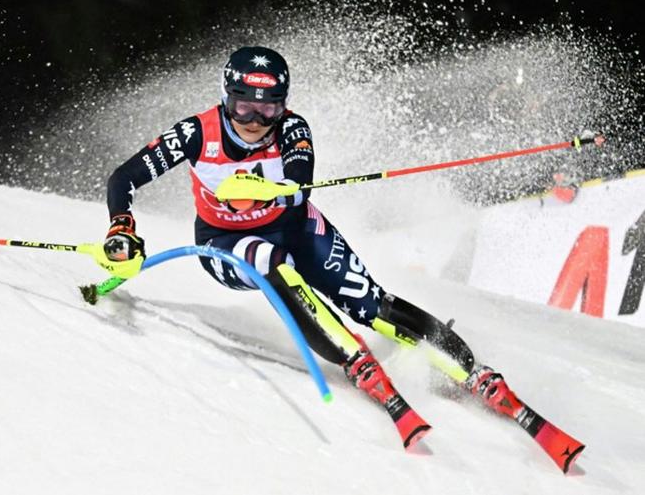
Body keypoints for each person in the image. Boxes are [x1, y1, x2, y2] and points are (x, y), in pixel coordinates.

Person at [96, 46, 517, 428]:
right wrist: (122, 227)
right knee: (272, 264)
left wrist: (272, 189)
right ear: (227, 100)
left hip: (294, 225)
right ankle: (351, 357)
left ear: (283, 107)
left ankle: (469, 367)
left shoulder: (294, 129)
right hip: (225, 240)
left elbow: (301, 178)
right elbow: (124, 178)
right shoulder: (195, 133)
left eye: (268, 111)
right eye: (242, 108)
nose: (254, 122)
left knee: (371, 303)